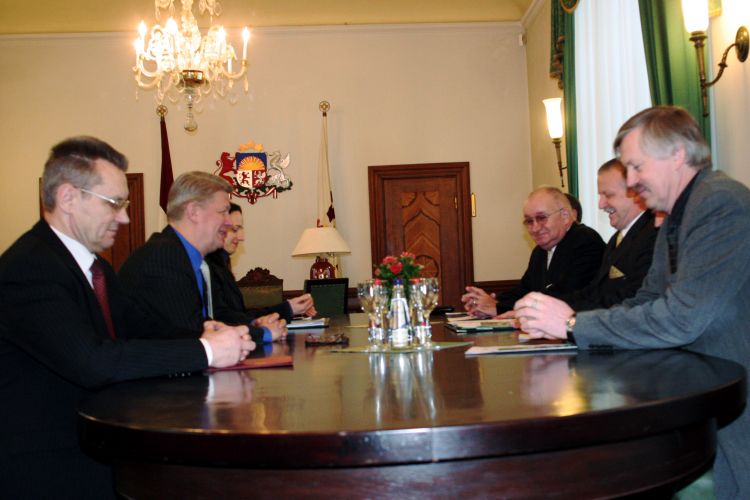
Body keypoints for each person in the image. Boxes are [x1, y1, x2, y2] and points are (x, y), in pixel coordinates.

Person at [514, 106, 750, 500]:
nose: (632, 180)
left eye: (636, 166)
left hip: (738, 392)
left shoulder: (719, 202)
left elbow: (681, 319)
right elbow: (647, 300)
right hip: (707, 391)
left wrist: (573, 325)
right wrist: (570, 332)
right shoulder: (676, 214)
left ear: (677, 155)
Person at [0, 137, 253, 499]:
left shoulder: (96, 267)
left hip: (97, 443)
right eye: (114, 203)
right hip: (49, 464)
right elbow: (93, 361)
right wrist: (206, 351)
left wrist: (204, 332)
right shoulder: (30, 267)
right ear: (68, 198)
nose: (125, 218)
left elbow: (143, 326)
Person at [119, 171, 287, 345]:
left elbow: (208, 323)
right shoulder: (164, 258)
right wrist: (263, 333)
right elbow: (193, 336)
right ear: (194, 212)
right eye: (223, 212)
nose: (229, 222)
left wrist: (255, 325)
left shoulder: (188, 258)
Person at [462, 186, 605, 317]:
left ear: (565, 216)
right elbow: (524, 290)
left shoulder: (585, 240)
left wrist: (498, 307)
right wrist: (491, 301)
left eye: (542, 218)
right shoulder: (540, 252)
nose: (535, 228)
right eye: (529, 221)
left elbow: (563, 295)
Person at [560, 159, 657, 311]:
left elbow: (633, 297)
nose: (601, 204)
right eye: (600, 196)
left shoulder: (654, 235)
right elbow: (595, 291)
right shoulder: (616, 239)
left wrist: (567, 315)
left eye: (608, 195)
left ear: (635, 192)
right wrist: (551, 305)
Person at [205, 202, 316, 321]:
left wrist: (290, 308)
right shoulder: (208, 268)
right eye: (234, 229)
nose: (242, 237)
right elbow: (228, 320)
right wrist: (288, 309)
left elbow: (242, 316)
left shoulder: (222, 266)